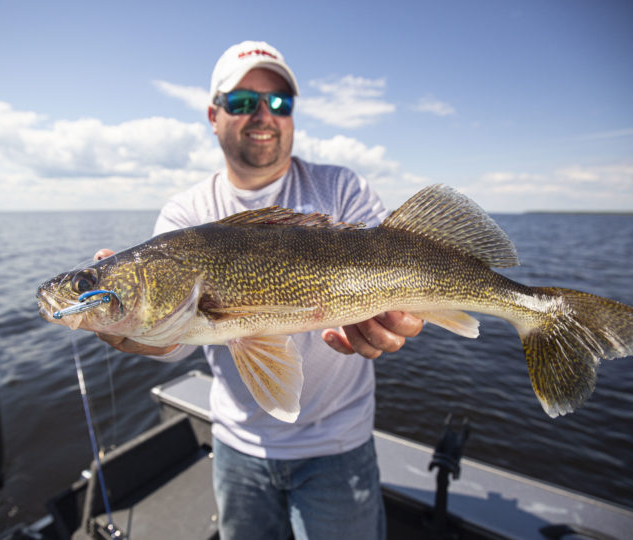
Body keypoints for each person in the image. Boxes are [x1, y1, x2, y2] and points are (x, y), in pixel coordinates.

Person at [95, 41, 423, 540]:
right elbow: (176, 339)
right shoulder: (186, 215)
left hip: (340, 444)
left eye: (279, 102)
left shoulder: (341, 190)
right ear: (213, 114)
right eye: (243, 102)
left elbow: (404, 274)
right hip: (238, 448)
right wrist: (135, 329)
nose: (263, 115)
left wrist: (403, 319)